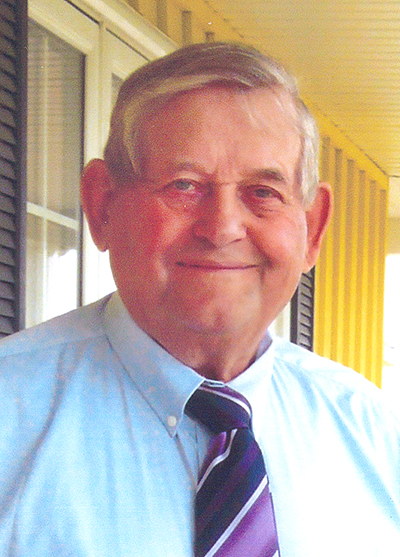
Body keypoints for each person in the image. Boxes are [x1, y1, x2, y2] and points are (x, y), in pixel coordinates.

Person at [0, 42, 399, 556]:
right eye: (184, 185)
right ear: (102, 206)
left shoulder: (374, 434)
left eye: (263, 192)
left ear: (313, 227)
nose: (223, 227)